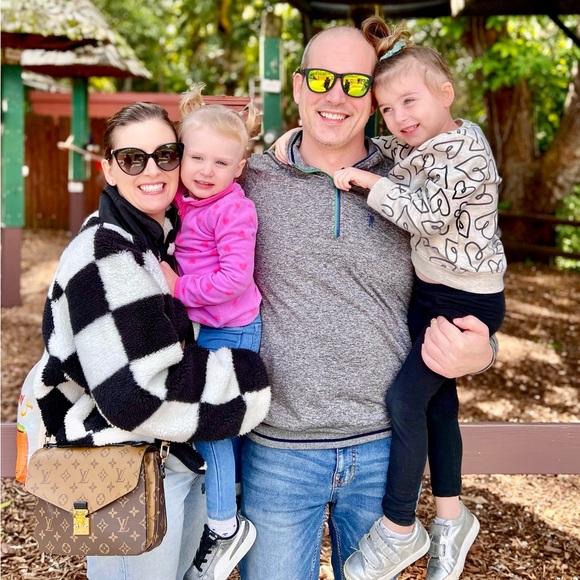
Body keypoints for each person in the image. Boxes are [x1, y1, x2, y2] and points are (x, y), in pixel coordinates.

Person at [238, 22, 498, 580]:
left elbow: (471, 275)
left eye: (355, 83)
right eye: (322, 80)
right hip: (279, 452)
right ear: (299, 85)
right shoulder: (251, 179)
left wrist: (483, 352)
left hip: (386, 454)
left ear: (372, 98)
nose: (336, 96)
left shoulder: (415, 176)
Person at [32, 101, 270, 580]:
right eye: (132, 159)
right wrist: (246, 382)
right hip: (126, 472)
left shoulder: (157, 236)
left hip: (172, 462)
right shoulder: (106, 250)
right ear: (108, 169)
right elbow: (136, 394)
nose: (152, 170)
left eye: (165, 155)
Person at [331, 16, 507, 580]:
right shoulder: (422, 144)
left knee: (405, 401)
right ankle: (452, 519)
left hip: (466, 300)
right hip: (432, 293)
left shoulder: (467, 152)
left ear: (445, 93)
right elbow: (383, 147)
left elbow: (427, 216)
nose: (399, 118)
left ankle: (399, 527)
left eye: (409, 101)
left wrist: (368, 182)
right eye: (386, 109)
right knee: (436, 405)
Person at [160, 84, 266, 580]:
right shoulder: (183, 201)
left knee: (213, 429)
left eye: (220, 163)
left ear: (239, 168)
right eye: (196, 157)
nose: (206, 170)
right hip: (207, 331)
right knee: (222, 428)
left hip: (232, 331)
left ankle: (225, 527)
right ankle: (230, 501)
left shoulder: (233, 210)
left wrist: (178, 288)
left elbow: (234, 280)